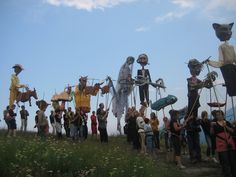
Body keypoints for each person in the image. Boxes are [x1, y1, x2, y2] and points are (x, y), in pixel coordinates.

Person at [212, 110, 236, 177]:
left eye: (220, 114)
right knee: (225, 161)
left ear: (223, 115)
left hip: (230, 142)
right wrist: (211, 126)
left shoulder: (227, 122)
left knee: (233, 161)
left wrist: (226, 126)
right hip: (221, 143)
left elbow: (233, 131)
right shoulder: (215, 124)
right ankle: (227, 174)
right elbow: (212, 133)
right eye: (217, 115)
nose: (218, 116)